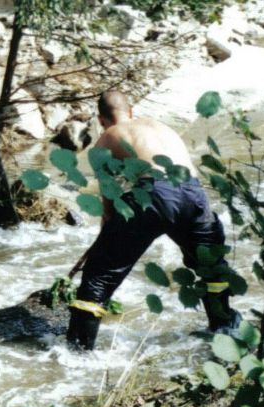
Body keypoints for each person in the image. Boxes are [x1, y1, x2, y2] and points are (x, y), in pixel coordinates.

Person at [67, 90, 242, 350]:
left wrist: (104, 242)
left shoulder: (107, 138)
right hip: (193, 194)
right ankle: (223, 331)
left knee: (99, 277)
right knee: (210, 266)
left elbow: (110, 200)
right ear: (131, 111)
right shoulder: (162, 127)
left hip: (153, 193)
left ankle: (76, 353)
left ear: (102, 120)